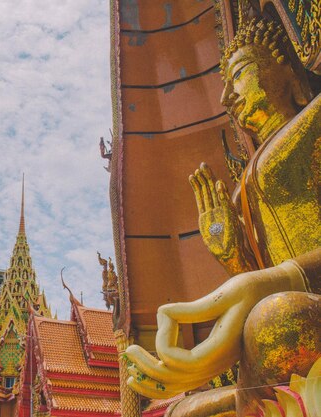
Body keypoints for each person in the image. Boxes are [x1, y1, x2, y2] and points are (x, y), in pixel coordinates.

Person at [124, 17, 321, 411]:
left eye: (240, 74)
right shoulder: (242, 183)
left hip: (289, 315)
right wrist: (233, 255)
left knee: (274, 320)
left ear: (287, 67)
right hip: (284, 319)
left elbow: (270, 288)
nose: (226, 98)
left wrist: (275, 280)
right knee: (174, 410)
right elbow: (260, 278)